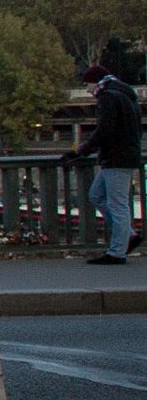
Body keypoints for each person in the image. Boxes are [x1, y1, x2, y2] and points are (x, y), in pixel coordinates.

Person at [65, 65, 140, 265]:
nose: (88, 90)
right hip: (123, 155)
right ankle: (129, 236)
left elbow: (104, 130)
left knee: (117, 205)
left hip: (116, 158)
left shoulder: (108, 96)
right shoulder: (124, 93)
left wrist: (81, 150)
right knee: (97, 195)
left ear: (96, 82)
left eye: (88, 85)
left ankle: (117, 252)